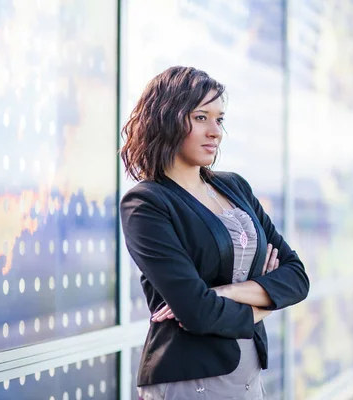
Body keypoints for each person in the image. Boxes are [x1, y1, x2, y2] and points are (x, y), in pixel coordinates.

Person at [119, 66, 310, 400]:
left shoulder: (234, 186)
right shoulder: (146, 204)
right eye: (200, 117)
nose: (215, 132)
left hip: (248, 372)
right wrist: (267, 300)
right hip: (191, 379)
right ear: (165, 119)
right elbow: (197, 312)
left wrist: (227, 292)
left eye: (219, 119)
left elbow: (296, 277)